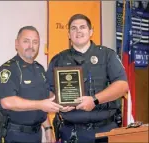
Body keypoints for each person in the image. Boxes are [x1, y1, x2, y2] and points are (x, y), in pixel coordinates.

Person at [46, 14, 129, 143]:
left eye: (82, 27)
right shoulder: (58, 60)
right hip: (71, 133)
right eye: (73, 28)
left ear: (91, 32)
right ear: (68, 34)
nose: (78, 31)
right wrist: (58, 104)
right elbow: (49, 92)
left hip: (105, 131)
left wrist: (94, 100)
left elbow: (122, 86)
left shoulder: (107, 55)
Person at [0, 26, 64, 143]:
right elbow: (7, 102)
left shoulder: (40, 69)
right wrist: (41, 104)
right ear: (17, 44)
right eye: (26, 41)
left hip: (36, 134)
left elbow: (42, 102)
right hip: (14, 134)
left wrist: (47, 127)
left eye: (35, 42)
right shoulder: (8, 69)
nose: (31, 46)